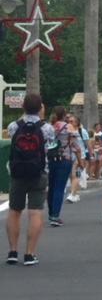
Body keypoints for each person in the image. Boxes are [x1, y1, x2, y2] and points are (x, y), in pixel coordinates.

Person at [6, 93, 55, 266]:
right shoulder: (47, 128)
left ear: (23, 107)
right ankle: (30, 253)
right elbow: (50, 148)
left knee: (14, 210)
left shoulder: (13, 126)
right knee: (35, 212)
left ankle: (12, 251)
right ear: (41, 107)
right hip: (38, 172)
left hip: (18, 173)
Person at [47, 106, 83, 226]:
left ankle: (51, 213)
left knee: (51, 187)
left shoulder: (50, 127)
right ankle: (55, 216)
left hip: (51, 159)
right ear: (64, 115)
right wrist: (80, 161)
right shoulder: (69, 127)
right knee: (59, 187)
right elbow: (75, 146)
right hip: (65, 159)